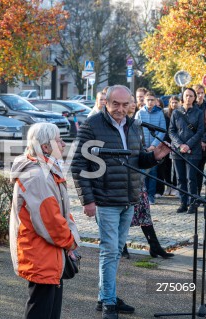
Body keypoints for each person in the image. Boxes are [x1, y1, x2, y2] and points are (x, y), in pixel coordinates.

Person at [71, 85, 171, 319]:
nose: (120, 109)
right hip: (105, 199)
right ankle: (108, 303)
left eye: (125, 105)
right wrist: (88, 200)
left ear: (131, 105)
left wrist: (154, 157)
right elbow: (79, 167)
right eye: (115, 104)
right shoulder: (92, 125)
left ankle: (105, 295)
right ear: (106, 102)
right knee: (109, 251)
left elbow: (137, 161)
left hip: (129, 199)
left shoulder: (135, 126)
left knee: (115, 251)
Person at [10, 123, 80, 319]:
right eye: (59, 140)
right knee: (42, 309)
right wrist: (70, 242)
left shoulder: (45, 170)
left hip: (47, 253)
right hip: (42, 254)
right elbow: (51, 222)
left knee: (47, 308)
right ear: (46, 147)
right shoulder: (38, 175)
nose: (64, 144)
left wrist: (69, 238)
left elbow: (60, 213)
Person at [122, 98, 174, 259]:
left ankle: (154, 246)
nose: (131, 104)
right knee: (122, 213)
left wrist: (153, 155)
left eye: (131, 102)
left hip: (137, 175)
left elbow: (139, 151)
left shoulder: (135, 124)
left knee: (144, 211)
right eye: (128, 102)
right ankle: (121, 247)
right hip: (121, 177)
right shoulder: (117, 125)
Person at [169, 87, 205, 214]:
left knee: (191, 178)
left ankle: (192, 203)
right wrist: (179, 145)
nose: (188, 98)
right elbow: (171, 130)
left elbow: (200, 131)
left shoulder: (199, 112)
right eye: (186, 95)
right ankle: (183, 203)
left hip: (193, 150)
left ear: (194, 98)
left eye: (191, 96)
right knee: (180, 178)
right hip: (177, 151)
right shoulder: (176, 112)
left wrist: (188, 145)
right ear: (182, 97)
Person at [134, 92, 166, 204]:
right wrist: (142, 146)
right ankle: (143, 195)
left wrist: (154, 145)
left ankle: (151, 195)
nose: (150, 102)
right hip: (142, 148)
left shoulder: (160, 113)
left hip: (154, 148)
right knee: (142, 173)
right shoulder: (139, 113)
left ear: (156, 101)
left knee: (153, 172)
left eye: (152, 100)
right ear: (144, 101)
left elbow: (162, 130)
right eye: (148, 100)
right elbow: (136, 130)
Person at [192, 84, 206, 196]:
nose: (200, 96)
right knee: (197, 170)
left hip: (204, 142)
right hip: (195, 143)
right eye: (198, 93)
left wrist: (204, 140)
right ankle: (196, 194)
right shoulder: (192, 108)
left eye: (202, 93)